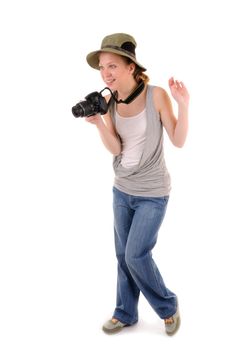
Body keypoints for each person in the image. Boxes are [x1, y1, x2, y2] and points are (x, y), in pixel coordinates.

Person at [85, 33, 189, 335]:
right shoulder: (111, 101)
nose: (106, 73)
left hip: (152, 193)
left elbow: (179, 140)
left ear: (131, 66)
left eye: (113, 66)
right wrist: (100, 122)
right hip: (121, 190)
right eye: (103, 67)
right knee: (122, 257)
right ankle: (126, 312)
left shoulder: (156, 95)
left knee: (135, 255)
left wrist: (184, 105)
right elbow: (117, 149)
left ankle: (168, 306)